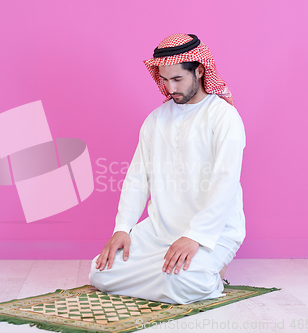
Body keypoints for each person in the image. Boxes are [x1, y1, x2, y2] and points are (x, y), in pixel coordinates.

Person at [88, 33, 246, 304]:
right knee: (100, 272)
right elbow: (138, 178)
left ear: (199, 70)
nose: (170, 88)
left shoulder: (224, 116)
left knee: (184, 282)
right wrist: (123, 228)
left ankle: (210, 274)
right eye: (164, 80)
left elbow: (225, 182)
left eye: (177, 79)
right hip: (160, 230)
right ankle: (170, 276)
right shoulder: (156, 120)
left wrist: (195, 236)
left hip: (212, 232)